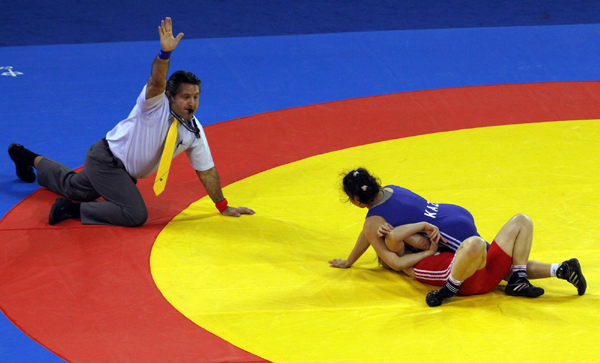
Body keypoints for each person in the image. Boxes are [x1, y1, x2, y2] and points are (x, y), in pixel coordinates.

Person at [8, 17, 254, 227]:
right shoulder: (155, 106)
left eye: (196, 97)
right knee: (135, 214)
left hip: (119, 171)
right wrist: (165, 54)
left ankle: (25, 156)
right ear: (170, 96)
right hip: (106, 161)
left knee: (73, 186)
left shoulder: (193, 130)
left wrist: (222, 206)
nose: (192, 103)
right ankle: (70, 210)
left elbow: (206, 170)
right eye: (186, 97)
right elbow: (157, 81)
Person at [329, 168, 586, 306]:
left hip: (450, 236)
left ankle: (451, 290)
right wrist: (351, 259)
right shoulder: (392, 189)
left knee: (478, 259)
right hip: (454, 215)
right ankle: (556, 270)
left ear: (355, 200)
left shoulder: (375, 223)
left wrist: (349, 262)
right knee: (503, 258)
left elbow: (371, 235)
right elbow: (367, 233)